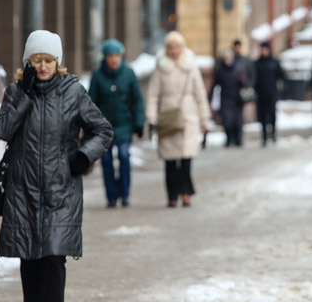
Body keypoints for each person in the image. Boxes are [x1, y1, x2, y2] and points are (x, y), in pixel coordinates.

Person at [0, 30, 112, 302]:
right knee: (30, 265)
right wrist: (25, 97)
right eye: (37, 60)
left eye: (48, 61)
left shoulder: (73, 91)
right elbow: (2, 130)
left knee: (53, 264)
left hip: (61, 191)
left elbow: (102, 130)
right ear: (27, 63)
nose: (43, 66)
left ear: (57, 63)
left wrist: (83, 155)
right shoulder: (17, 92)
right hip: (23, 192)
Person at [146, 30, 212, 207]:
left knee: (186, 159)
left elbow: (200, 94)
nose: (174, 50)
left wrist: (204, 118)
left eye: (177, 46)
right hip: (167, 117)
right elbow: (152, 96)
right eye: (171, 47)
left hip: (188, 116)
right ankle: (172, 195)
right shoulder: (161, 68)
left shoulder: (191, 67)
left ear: (182, 48)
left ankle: (186, 193)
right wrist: (151, 119)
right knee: (169, 162)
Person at [87, 38, 145, 208]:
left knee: (124, 155)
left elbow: (138, 100)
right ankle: (111, 196)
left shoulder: (129, 74)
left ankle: (125, 193)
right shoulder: (97, 76)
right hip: (104, 127)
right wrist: (91, 126)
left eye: (117, 56)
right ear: (105, 58)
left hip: (124, 124)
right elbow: (90, 103)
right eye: (110, 56)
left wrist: (139, 123)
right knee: (106, 161)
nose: (114, 59)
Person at [211, 47, 248, 146]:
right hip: (225, 98)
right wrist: (210, 96)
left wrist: (242, 81)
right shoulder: (220, 70)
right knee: (227, 121)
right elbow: (215, 83)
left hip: (237, 98)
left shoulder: (238, 69)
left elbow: (244, 83)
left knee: (237, 121)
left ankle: (238, 140)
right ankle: (229, 139)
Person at [252, 40, 287, 145]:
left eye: (265, 49)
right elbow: (254, 78)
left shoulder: (274, 62)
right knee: (262, 116)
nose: (263, 51)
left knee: (272, 115)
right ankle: (264, 137)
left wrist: (282, 88)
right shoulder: (257, 63)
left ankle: (273, 134)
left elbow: (282, 76)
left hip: (272, 93)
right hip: (260, 94)